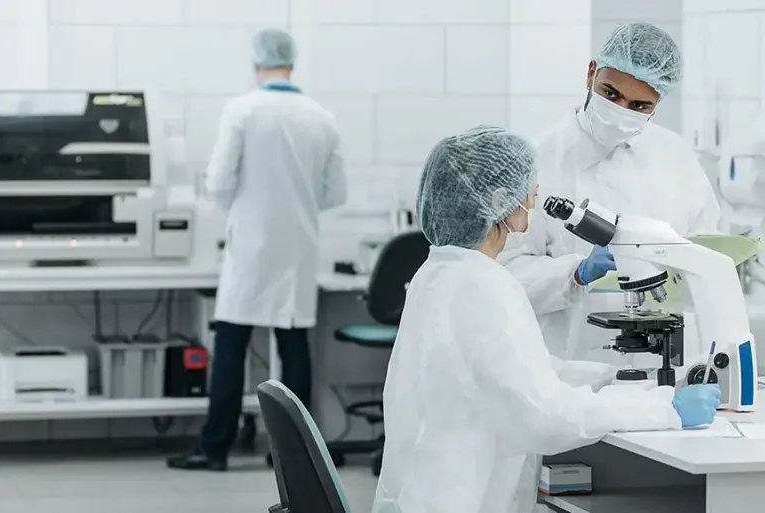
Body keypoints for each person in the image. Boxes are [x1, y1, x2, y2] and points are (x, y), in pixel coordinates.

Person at [371, 126, 720, 513]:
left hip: (424, 490)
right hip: (456, 497)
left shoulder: (438, 273)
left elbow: (517, 371)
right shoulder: (484, 286)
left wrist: (615, 378)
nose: (534, 193)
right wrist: (664, 410)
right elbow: (545, 416)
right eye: (528, 185)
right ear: (499, 200)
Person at [167, 29, 347, 471]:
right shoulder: (321, 117)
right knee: (294, 350)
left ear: (255, 63)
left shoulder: (242, 110)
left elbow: (219, 181)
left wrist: (244, 213)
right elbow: (335, 192)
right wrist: (296, 208)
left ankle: (214, 449)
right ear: (293, 62)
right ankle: (294, 456)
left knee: (230, 348)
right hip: (299, 249)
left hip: (249, 247)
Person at [499, 22, 721, 363]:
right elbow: (504, 275)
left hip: (663, 366)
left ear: (657, 103)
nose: (620, 113)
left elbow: (707, 249)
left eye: (639, 106)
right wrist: (575, 273)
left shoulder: (676, 158)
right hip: (566, 368)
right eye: (611, 94)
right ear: (591, 74)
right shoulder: (537, 160)